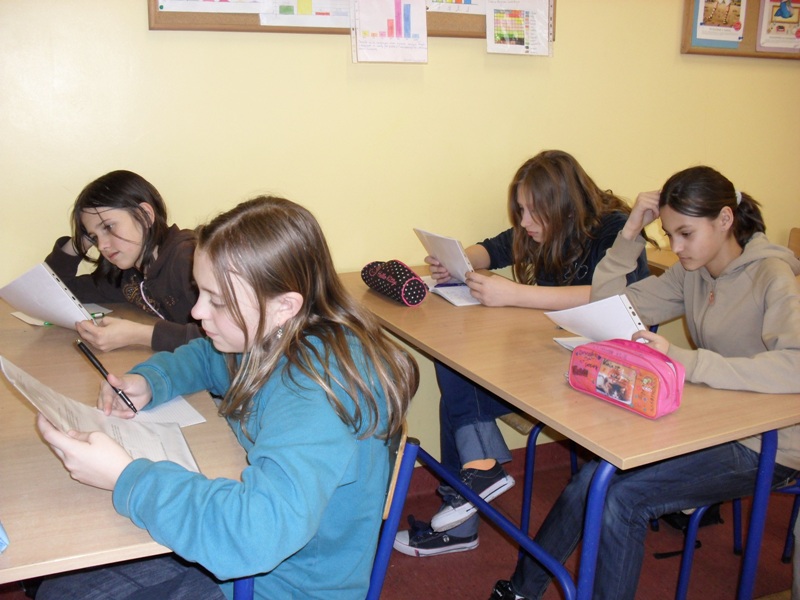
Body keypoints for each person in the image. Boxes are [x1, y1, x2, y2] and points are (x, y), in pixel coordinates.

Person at [35, 196, 419, 599]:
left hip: (282, 584)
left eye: (217, 300)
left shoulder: (317, 390)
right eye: (199, 292)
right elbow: (207, 357)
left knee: (65, 593)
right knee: (62, 586)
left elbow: (254, 536)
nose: (198, 312)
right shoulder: (271, 334)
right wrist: (152, 380)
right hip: (252, 558)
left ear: (284, 305)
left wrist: (125, 477)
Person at [489, 165, 800, 600]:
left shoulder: (773, 275)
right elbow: (609, 305)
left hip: (771, 442)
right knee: (592, 480)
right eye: (669, 234)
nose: (676, 247)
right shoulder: (692, 271)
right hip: (715, 418)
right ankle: (522, 591)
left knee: (623, 499)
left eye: (686, 234)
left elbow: (794, 367)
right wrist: (631, 230)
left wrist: (685, 361)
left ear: (725, 219)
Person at [394, 150, 649, 557]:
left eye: (533, 211)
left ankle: (469, 500)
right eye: (520, 211)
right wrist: (457, 262)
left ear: (563, 205)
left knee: (461, 391)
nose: (525, 222)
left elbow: (615, 297)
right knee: (457, 368)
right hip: (554, 355)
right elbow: (494, 248)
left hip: (604, 370)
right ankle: (477, 479)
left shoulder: (615, 229)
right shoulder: (539, 230)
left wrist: (515, 293)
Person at [45, 169, 201, 352]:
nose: (101, 245)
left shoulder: (190, 260)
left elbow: (224, 341)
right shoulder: (126, 274)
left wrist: (137, 335)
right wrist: (78, 243)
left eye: (108, 227)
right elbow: (55, 291)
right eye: (94, 237)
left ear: (145, 215)